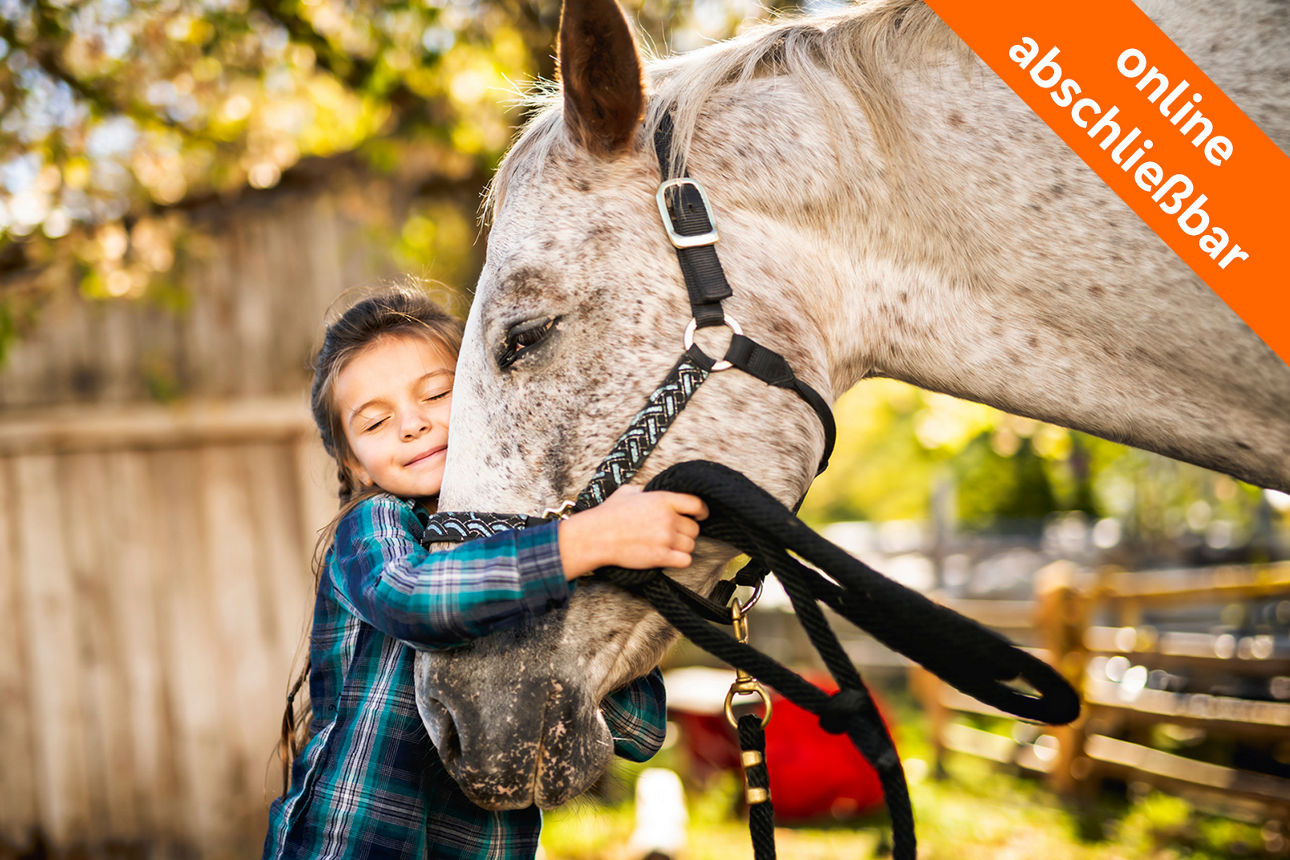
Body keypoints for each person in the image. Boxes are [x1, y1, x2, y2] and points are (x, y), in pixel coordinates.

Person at [264, 288, 707, 859]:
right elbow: (411, 598)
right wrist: (586, 541)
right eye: (376, 422)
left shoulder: (536, 535)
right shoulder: (373, 525)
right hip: (349, 842)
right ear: (354, 463)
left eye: (437, 394)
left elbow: (639, 729)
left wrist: (612, 565)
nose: (412, 425)